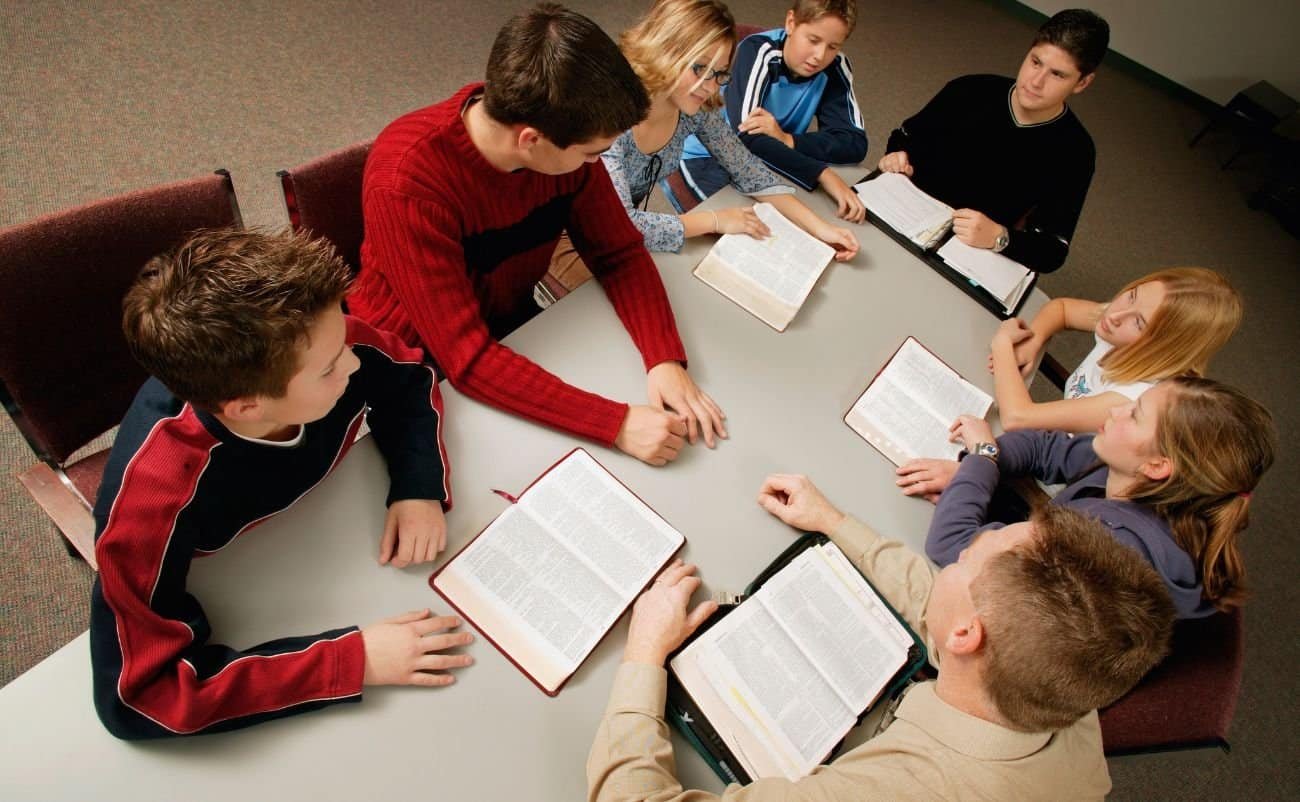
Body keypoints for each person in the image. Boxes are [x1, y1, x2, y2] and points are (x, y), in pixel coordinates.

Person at [91, 229, 470, 740]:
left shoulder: (318, 340)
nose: (355, 361)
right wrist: (354, 660)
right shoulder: (148, 500)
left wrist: (417, 484)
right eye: (332, 368)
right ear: (248, 408)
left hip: (315, 532)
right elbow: (143, 697)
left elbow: (407, 378)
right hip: (243, 574)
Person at [587, 478, 1175, 800]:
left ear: (968, 635)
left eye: (966, 557)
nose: (955, 559)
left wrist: (643, 653)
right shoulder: (1076, 674)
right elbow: (939, 606)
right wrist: (835, 523)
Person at [352, 3, 725, 468]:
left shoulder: (562, 145)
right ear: (530, 140)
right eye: (592, 153)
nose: (597, 165)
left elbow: (620, 253)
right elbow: (466, 359)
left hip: (513, 325)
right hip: (411, 362)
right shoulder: (407, 182)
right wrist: (616, 423)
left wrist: (664, 357)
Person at [900, 376, 1276, 618]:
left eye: (1135, 414)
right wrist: (981, 470)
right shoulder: (1136, 468)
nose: (1116, 410)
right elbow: (1044, 448)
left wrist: (982, 457)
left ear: (1159, 464)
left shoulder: (1110, 547)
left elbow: (952, 547)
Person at [600, 0, 860, 257]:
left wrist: (821, 229)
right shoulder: (611, 120)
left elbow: (746, 169)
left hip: (615, 233)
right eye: (700, 68)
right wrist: (715, 220)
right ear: (665, 50)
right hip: (577, 232)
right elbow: (621, 226)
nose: (711, 87)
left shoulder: (693, 109)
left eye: (720, 73)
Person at [877, 8, 1110, 273]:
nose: (1036, 82)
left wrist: (1000, 237)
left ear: (1082, 83)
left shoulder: (1075, 151)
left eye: (1057, 74)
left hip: (966, 253)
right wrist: (898, 155)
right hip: (903, 214)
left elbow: (1052, 250)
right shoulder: (969, 89)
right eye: (1035, 62)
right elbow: (904, 137)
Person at [989, 267, 1242, 433]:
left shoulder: (1134, 398)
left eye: (1139, 322)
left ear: (1163, 347)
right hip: (1047, 438)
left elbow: (1017, 418)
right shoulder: (1121, 325)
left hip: (1052, 482)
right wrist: (1034, 342)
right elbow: (1062, 309)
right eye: (1132, 295)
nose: (1117, 314)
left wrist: (1002, 344)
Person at [680, 0, 868, 222]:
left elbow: (854, 143)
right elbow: (747, 139)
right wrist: (822, 174)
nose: (820, 56)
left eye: (833, 47)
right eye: (813, 40)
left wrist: (788, 140)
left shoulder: (836, 67)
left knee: (797, 227)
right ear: (791, 23)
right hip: (707, 155)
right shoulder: (758, 51)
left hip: (772, 158)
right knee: (747, 232)